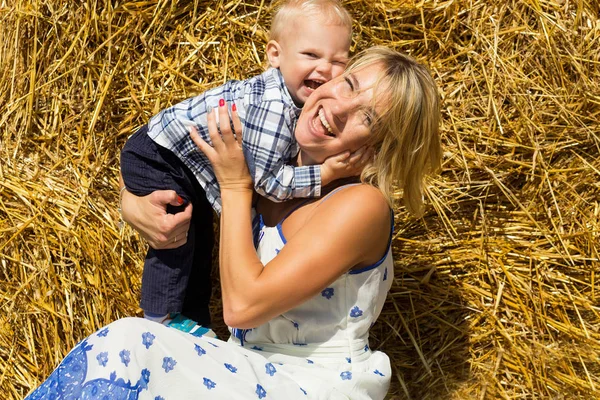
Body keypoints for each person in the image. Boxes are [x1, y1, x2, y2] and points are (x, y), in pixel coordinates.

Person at [27, 46, 441, 399]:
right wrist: (131, 203)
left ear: (378, 150)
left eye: (367, 118)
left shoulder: (360, 205)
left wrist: (234, 185)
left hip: (308, 385)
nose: (337, 109)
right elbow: (162, 146)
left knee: (130, 343)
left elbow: (243, 307)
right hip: (243, 367)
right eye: (348, 85)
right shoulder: (271, 163)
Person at [119, 0, 353, 329]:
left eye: (338, 61)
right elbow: (268, 182)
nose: (326, 69)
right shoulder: (274, 107)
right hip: (161, 155)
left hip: (177, 157)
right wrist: (325, 173)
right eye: (311, 55)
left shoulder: (295, 103)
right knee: (177, 236)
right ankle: (161, 318)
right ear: (275, 54)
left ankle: (191, 320)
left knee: (200, 244)